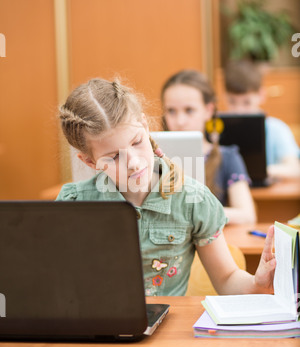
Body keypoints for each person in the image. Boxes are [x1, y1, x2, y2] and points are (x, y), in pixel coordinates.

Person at [56, 77, 275, 296]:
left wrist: (257, 283)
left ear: (144, 126)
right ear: (89, 162)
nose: (133, 162)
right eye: (113, 157)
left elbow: (227, 279)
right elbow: (58, 283)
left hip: (168, 329)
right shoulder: (73, 203)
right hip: (98, 328)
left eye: (136, 142)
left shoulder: (194, 200)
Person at [161, 69, 257, 224]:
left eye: (189, 110)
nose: (180, 121)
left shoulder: (228, 157)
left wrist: (194, 211)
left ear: (208, 110)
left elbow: (247, 215)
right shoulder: (153, 159)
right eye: (171, 111)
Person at [224, 59, 300, 179]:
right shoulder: (219, 129)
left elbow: (295, 168)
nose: (239, 110)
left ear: (261, 95)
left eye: (247, 102)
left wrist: (261, 170)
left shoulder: (276, 129)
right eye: (232, 102)